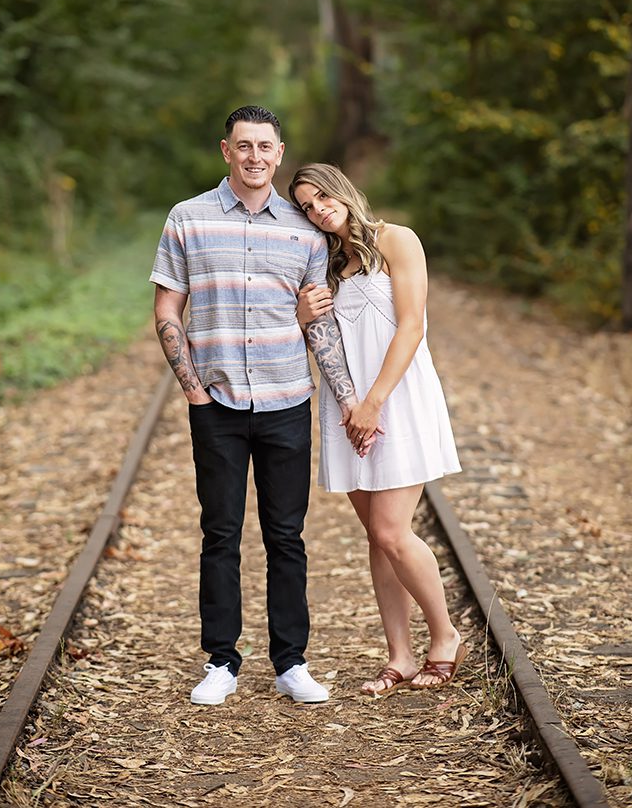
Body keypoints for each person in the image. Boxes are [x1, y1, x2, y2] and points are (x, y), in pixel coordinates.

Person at [150, 107, 365, 706]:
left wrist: (347, 400)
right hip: (215, 402)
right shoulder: (187, 218)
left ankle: (290, 662)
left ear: (279, 152)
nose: (254, 157)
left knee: (286, 536)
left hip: (287, 400)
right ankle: (221, 661)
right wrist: (194, 390)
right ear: (226, 151)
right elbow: (168, 311)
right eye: (243, 146)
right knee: (219, 533)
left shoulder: (304, 230)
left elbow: (317, 322)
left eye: (265, 147)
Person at [289, 163, 466, 696]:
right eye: (306, 206)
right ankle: (400, 654)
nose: (318, 209)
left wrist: (374, 403)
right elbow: (322, 341)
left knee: (392, 531)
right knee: (377, 537)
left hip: (397, 398)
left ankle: (445, 636)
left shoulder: (397, 240)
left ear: (342, 190)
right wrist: (300, 318)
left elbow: (412, 324)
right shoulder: (322, 262)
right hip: (347, 408)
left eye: (322, 197)